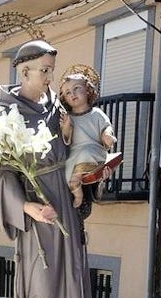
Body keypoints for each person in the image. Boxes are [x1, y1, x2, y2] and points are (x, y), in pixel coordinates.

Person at [0, 40, 94, 298]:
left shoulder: (56, 107)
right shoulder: (7, 112)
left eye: (51, 70)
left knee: (71, 276)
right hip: (38, 213)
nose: (51, 77)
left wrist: (81, 157)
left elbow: (75, 147)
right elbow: (2, 174)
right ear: (25, 71)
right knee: (43, 284)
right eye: (45, 70)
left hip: (63, 201)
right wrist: (26, 207)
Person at [57, 71, 122, 208]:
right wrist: (66, 126)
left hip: (92, 150)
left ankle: (80, 193)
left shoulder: (96, 113)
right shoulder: (69, 117)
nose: (73, 94)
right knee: (68, 172)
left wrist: (107, 136)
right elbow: (66, 138)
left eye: (76, 89)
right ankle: (76, 191)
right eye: (68, 92)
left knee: (85, 152)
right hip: (74, 154)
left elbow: (106, 127)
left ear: (88, 90)